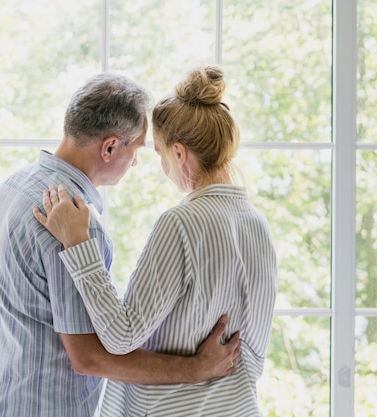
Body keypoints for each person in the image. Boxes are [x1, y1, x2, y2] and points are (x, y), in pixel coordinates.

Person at [0, 72, 241, 417]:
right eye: (137, 149)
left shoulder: (11, 189)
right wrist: (196, 369)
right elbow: (89, 358)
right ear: (110, 147)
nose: (136, 161)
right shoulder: (73, 223)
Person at [33, 66, 277, 416]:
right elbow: (252, 358)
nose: (161, 165)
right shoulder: (258, 225)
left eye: (161, 154)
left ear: (179, 154)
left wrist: (78, 243)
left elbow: (121, 336)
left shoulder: (181, 223)